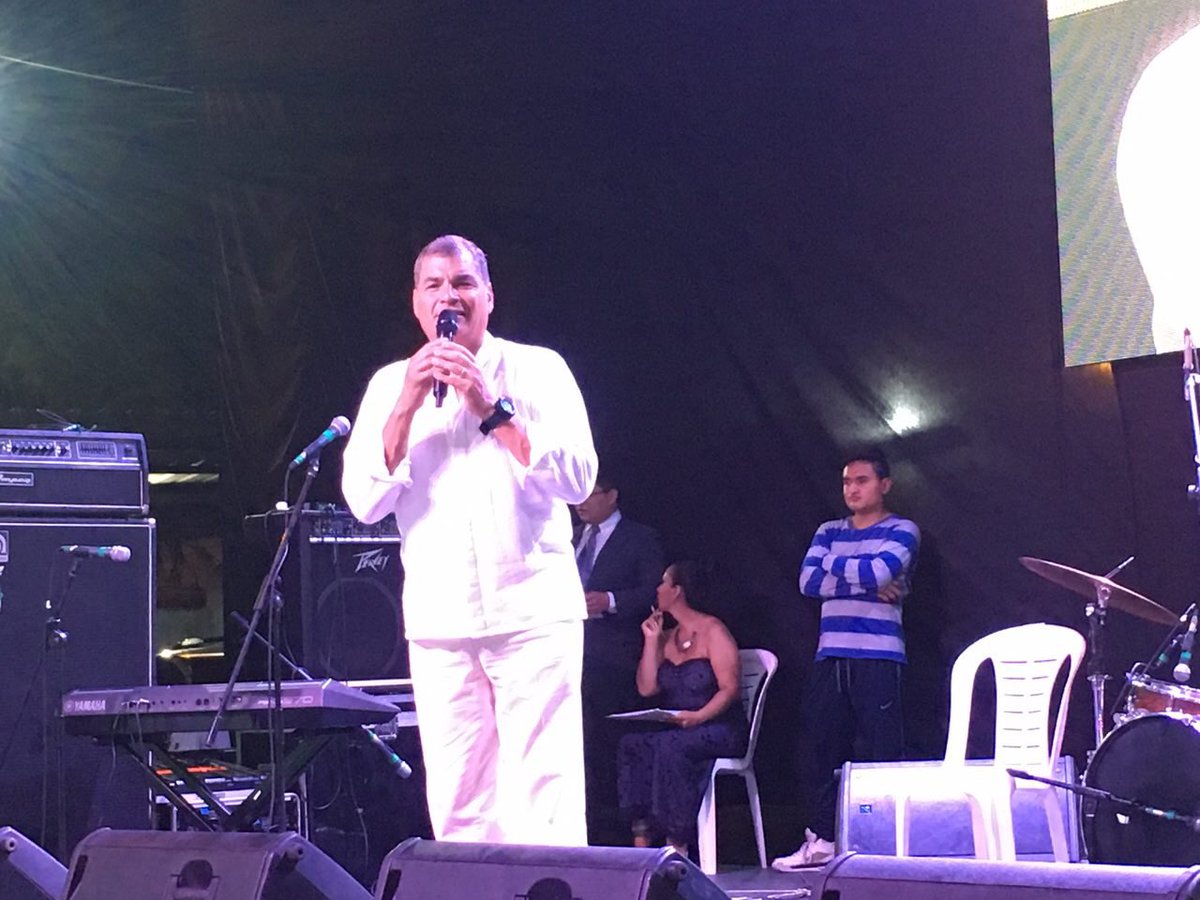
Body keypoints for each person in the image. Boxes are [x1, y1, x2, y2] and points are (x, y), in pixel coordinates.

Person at [341, 234, 598, 845]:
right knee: (459, 803)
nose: (448, 296)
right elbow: (365, 502)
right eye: (434, 285)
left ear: (487, 296)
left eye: (461, 283)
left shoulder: (540, 368)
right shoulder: (389, 385)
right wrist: (406, 403)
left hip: (532, 613)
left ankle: (553, 889)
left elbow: (578, 480)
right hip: (441, 622)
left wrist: (491, 406)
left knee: (546, 797)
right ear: (416, 303)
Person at [772, 448, 920, 870]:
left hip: (879, 653)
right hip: (831, 653)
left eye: (862, 481)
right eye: (846, 482)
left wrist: (836, 567)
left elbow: (878, 571)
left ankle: (885, 846)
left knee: (881, 750)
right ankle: (822, 840)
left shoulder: (902, 529)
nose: (852, 489)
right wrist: (867, 582)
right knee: (820, 749)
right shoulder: (829, 529)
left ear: (884, 485)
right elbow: (807, 581)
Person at [616, 561, 748, 857]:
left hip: (717, 724)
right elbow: (646, 688)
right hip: (679, 724)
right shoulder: (667, 636)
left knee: (670, 746)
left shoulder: (713, 630)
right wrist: (651, 641)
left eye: (663, 583)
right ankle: (641, 838)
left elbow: (729, 689)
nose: (657, 589)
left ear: (677, 591)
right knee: (632, 743)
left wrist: (699, 716)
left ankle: (676, 842)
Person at [573, 469, 664, 843]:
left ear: (611, 495)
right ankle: (586, 826)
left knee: (614, 744)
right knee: (580, 745)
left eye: (589, 494)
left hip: (616, 658)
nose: (580, 503)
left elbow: (654, 591)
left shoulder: (639, 538)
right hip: (572, 655)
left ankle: (627, 829)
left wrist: (610, 600)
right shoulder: (571, 539)